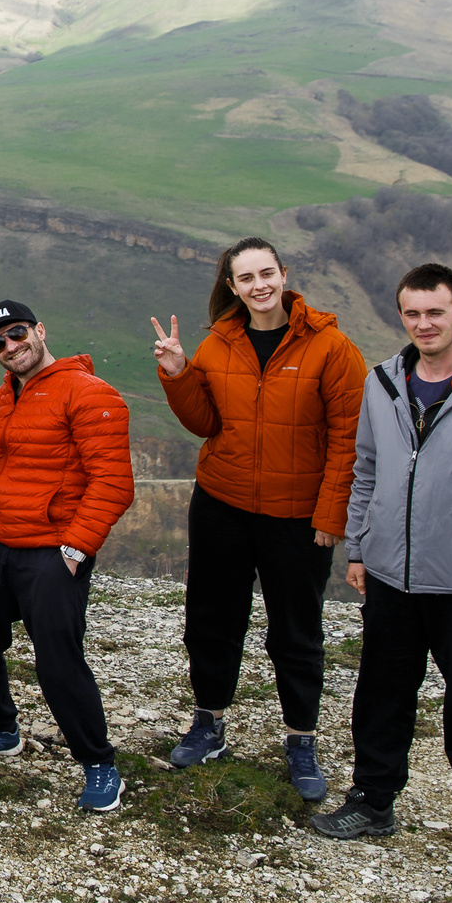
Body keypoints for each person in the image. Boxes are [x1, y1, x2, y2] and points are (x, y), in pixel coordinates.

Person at [311, 263, 452, 897]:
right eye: (412, 313)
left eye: (436, 312)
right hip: (390, 577)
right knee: (381, 694)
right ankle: (373, 802)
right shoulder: (384, 382)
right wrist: (360, 548)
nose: (424, 324)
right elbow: (365, 468)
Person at [151, 237, 367, 801]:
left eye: (266, 273)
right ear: (232, 287)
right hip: (221, 504)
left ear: (284, 274)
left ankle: (301, 740)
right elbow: (205, 423)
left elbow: (349, 439)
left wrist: (332, 514)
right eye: (245, 278)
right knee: (210, 620)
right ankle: (209, 723)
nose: (259, 286)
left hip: (296, 516)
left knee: (295, 631)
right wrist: (178, 373)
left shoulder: (332, 347)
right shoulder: (219, 343)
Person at [0, 299, 135, 814]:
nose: (10, 347)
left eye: (16, 334)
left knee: (58, 662)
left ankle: (98, 762)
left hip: (50, 551)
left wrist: (74, 549)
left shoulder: (90, 394)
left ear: (39, 330)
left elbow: (113, 482)